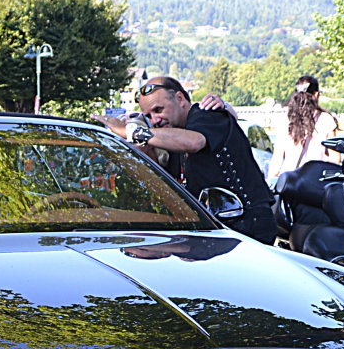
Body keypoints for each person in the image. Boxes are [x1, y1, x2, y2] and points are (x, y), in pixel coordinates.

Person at [97, 77, 275, 243]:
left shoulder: (207, 114)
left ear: (180, 99)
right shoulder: (173, 135)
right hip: (216, 228)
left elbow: (195, 141)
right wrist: (146, 149)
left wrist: (133, 132)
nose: (155, 120)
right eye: (149, 116)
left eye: (159, 110)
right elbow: (167, 186)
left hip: (248, 223)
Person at [267, 77, 340, 178]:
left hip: (290, 180)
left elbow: (277, 159)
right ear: (316, 94)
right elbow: (335, 159)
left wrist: (271, 180)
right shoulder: (326, 119)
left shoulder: (286, 119)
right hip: (316, 180)